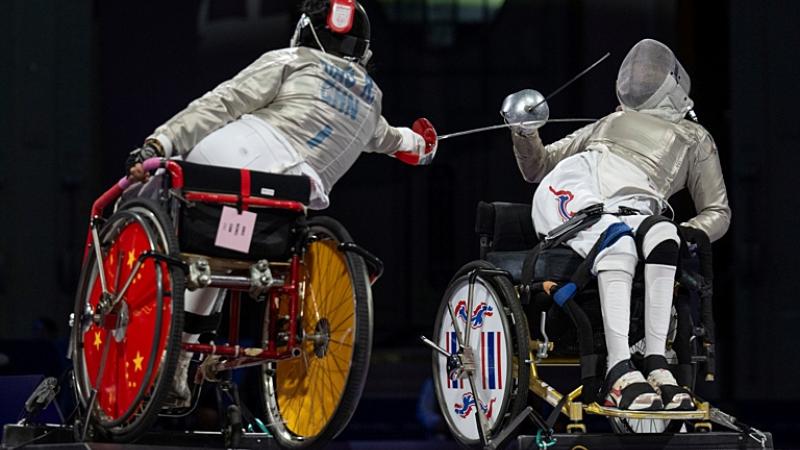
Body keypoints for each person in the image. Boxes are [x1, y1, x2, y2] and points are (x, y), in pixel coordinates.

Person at [125, 0, 438, 408]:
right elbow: (394, 140)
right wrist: (423, 145)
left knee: (163, 183)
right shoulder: (369, 101)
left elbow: (223, 101)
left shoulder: (292, 60)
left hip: (231, 166)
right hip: (282, 205)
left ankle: (140, 311)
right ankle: (178, 364)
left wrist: (160, 141)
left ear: (308, 31)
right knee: (222, 260)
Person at [501, 39, 730, 411]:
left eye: (651, 73)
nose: (642, 76)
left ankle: (656, 364)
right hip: (578, 190)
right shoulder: (609, 122)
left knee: (664, 234)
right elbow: (538, 167)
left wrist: (691, 231)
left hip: (636, 205)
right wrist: (524, 131)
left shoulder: (696, 138)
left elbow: (718, 211)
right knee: (618, 243)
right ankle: (618, 371)